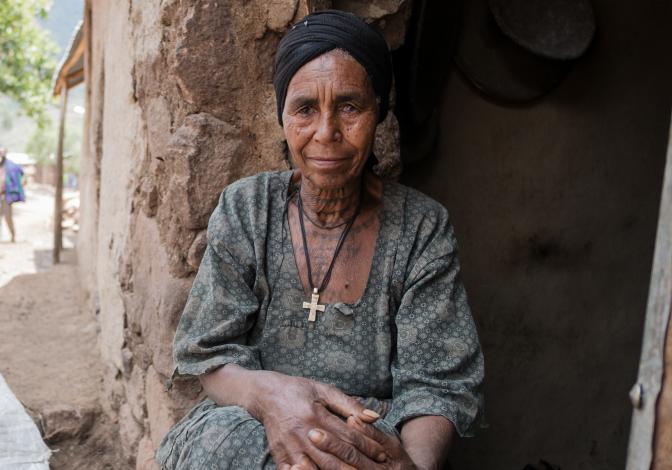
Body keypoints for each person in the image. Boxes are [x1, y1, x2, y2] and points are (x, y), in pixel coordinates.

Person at [156, 11, 483, 470]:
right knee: (223, 447)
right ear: (283, 116)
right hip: (251, 420)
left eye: (349, 106)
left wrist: (410, 466)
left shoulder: (420, 228)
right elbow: (210, 354)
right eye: (305, 109)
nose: (326, 133)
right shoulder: (248, 208)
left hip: (368, 430)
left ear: (378, 112)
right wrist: (274, 397)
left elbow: (437, 385)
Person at [0, 147, 25, 244]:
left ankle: (12, 234)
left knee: (8, 217)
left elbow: (22, 175)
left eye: (3, 152)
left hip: (7, 196)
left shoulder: (12, 166)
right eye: (0, 152)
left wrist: (18, 187)